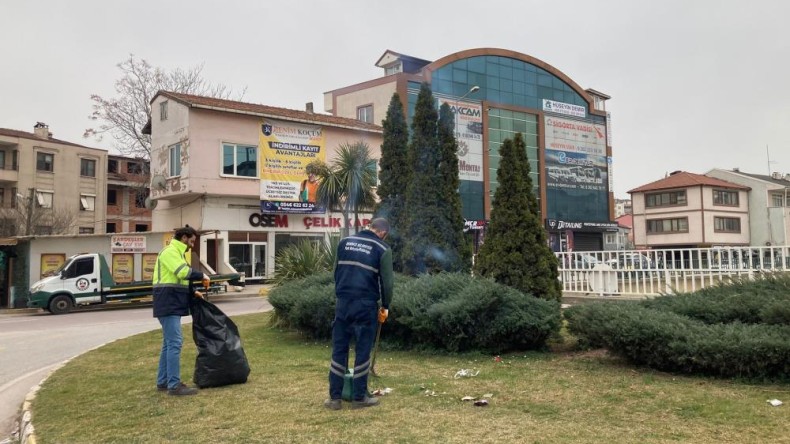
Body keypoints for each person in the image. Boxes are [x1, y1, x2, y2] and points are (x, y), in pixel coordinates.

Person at [325, 218, 394, 410]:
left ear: (369, 227)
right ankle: (359, 398)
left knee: (339, 348)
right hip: (365, 304)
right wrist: (386, 305)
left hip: (343, 302)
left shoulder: (344, 242)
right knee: (363, 349)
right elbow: (387, 283)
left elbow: (336, 272)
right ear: (383, 232)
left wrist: (341, 295)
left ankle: (334, 399)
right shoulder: (382, 249)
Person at [153, 226, 210, 396]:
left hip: (170, 302)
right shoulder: (170, 252)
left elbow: (178, 279)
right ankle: (174, 385)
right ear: (184, 238)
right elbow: (182, 272)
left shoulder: (177, 253)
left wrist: (193, 292)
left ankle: (163, 381)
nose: (192, 245)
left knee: (168, 344)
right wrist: (202, 276)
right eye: (191, 241)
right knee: (175, 342)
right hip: (168, 302)